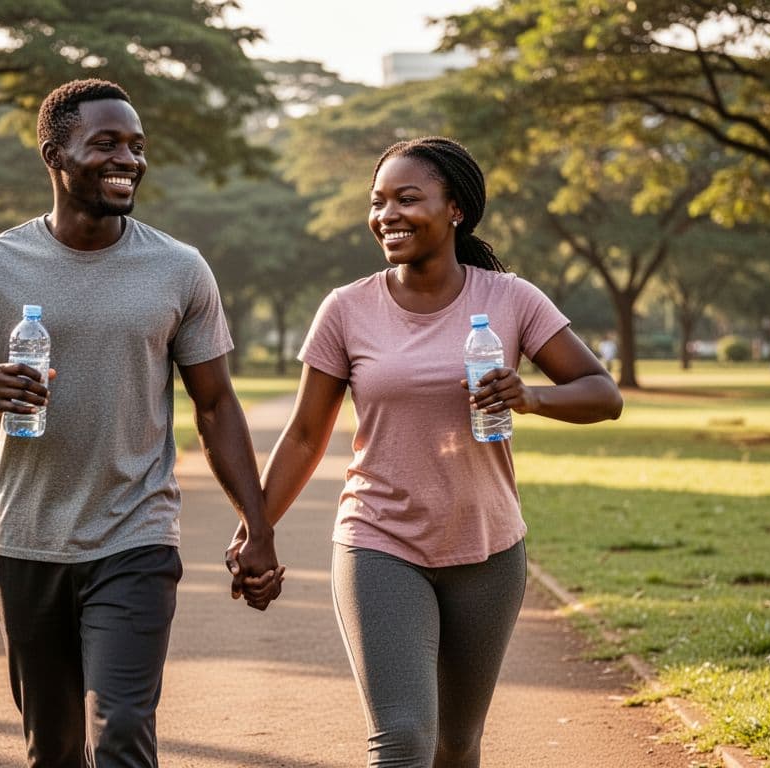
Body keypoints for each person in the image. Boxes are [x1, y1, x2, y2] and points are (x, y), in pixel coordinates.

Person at [0, 78, 281, 768]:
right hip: (27, 540)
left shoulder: (179, 268)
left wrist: (257, 526)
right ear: (55, 154)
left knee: (122, 729)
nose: (128, 159)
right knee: (53, 749)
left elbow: (217, 404)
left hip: (136, 533)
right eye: (106, 143)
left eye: (136, 146)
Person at [230, 137, 623, 766]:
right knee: (404, 737)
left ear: (455, 209)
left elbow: (603, 394)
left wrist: (532, 397)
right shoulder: (346, 309)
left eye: (407, 199)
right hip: (379, 540)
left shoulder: (511, 299)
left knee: (456, 746)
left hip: (488, 548)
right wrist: (258, 529)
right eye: (378, 201)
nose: (387, 214)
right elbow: (304, 434)